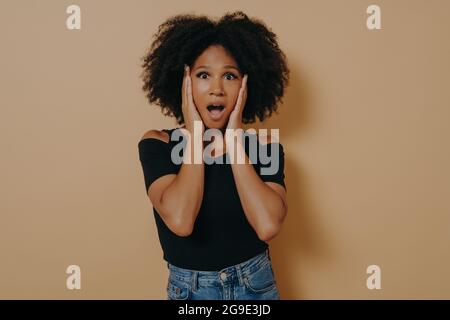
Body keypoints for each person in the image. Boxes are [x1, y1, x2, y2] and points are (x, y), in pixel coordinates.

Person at [138, 11, 289, 300]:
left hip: (256, 286)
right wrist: (195, 133)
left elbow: (268, 225)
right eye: (203, 75)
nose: (217, 89)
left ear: (246, 84)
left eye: (229, 76)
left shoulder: (265, 146)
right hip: (191, 293)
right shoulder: (158, 143)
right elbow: (181, 221)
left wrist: (234, 140)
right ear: (184, 83)